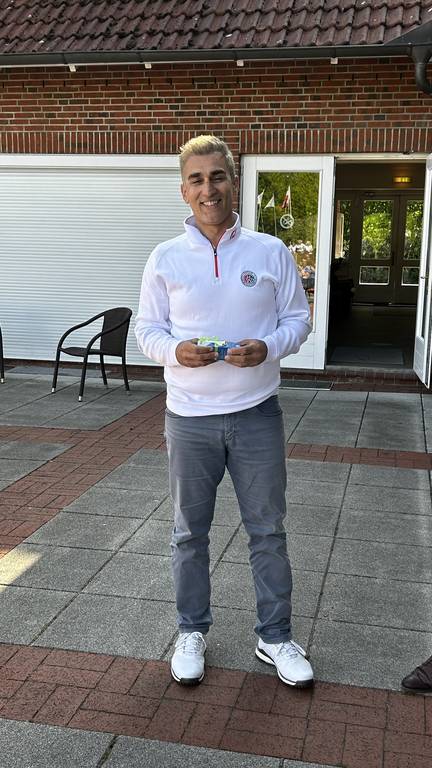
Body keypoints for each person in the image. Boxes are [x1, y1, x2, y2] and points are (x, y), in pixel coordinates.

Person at [135, 135, 313, 688]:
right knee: (189, 533)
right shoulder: (165, 257)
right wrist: (175, 351)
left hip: (257, 413)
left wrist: (269, 347)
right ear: (183, 190)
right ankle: (191, 630)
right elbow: (147, 329)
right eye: (197, 179)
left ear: (234, 182)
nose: (208, 189)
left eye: (217, 176)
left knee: (268, 531)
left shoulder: (270, 251)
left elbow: (298, 319)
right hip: (188, 419)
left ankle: (275, 637)